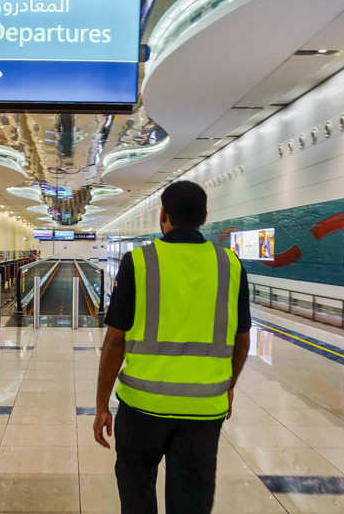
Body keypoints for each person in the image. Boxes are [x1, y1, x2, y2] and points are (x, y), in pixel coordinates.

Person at [93, 180, 251, 514]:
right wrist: (229, 386)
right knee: (192, 499)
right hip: (205, 409)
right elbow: (242, 339)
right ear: (205, 216)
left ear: (162, 215)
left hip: (141, 408)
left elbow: (115, 341)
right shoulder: (231, 265)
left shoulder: (139, 262)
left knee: (137, 495)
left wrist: (101, 404)